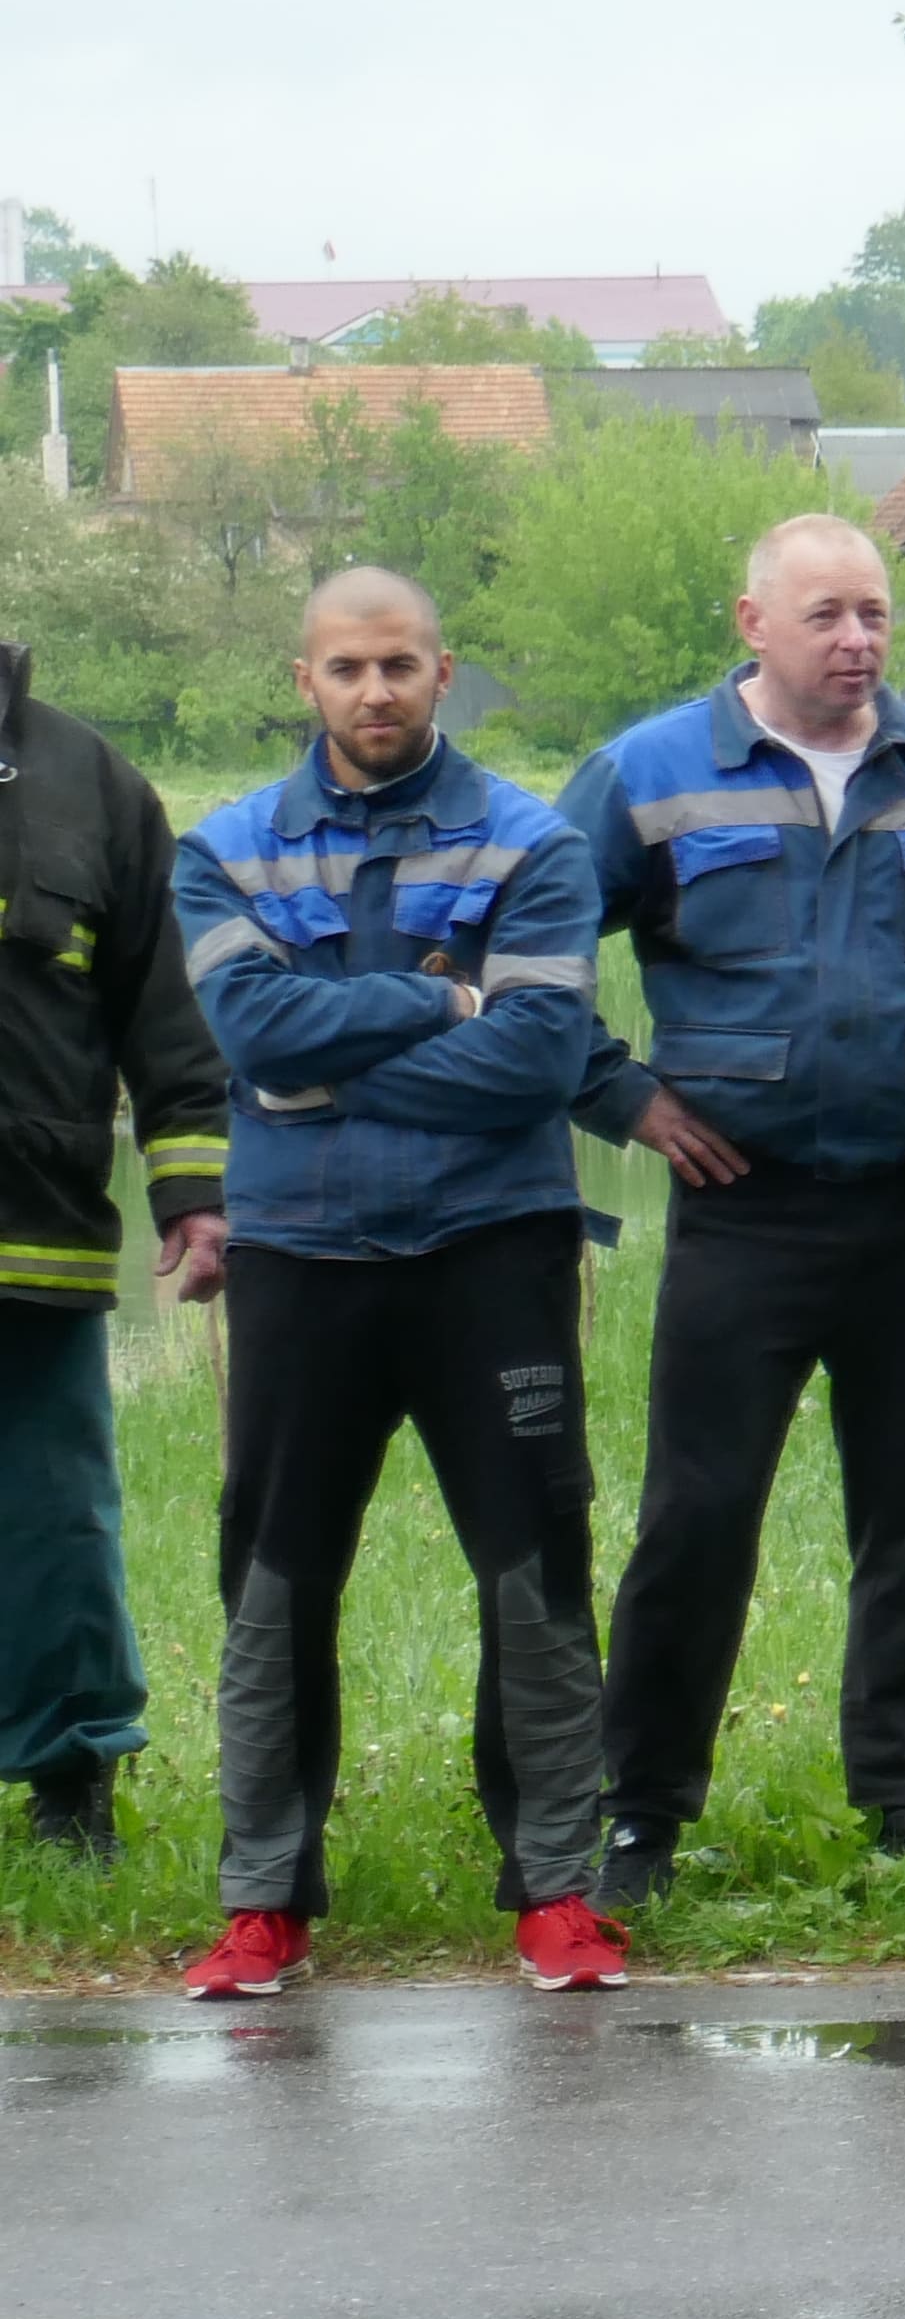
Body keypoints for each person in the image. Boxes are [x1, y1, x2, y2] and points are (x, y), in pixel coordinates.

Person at [169, 567, 679, 1994]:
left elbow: (532, 1063)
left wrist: (329, 1074)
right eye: (348, 668)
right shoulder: (219, 852)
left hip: (491, 1256)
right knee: (272, 1584)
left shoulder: (533, 846)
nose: (375, 691)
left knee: (534, 1572)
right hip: (301, 1270)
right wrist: (438, 998)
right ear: (306, 681)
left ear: (442, 673)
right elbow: (254, 1037)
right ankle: (265, 1900)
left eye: (399, 664)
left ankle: (557, 1892)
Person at [558, 514, 905, 1910]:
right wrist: (624, 1100)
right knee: (697, 1517)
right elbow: (521, 953)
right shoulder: (646, 774)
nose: (856, 641)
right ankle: (642, 1815)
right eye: (825, 617)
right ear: (751, 622)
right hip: (744, 1212)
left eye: (874, 614)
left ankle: (904, 1807)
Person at [0, 630, 229, 1863]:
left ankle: (69, 1787)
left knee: (53, 1528)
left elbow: (162, 1005)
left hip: (34, 1242)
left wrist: (195, 1189)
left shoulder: (89, 781)